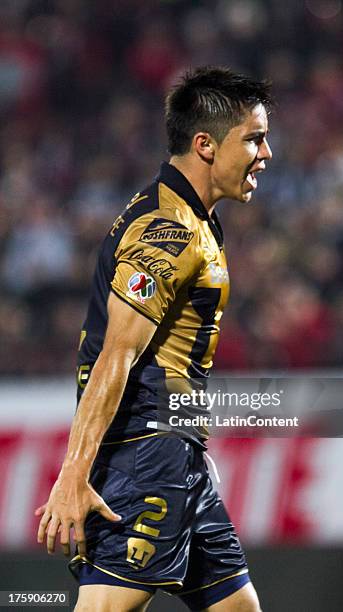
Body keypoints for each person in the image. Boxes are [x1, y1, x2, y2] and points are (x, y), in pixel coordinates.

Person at [35, 66, 273, 612]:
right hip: (146, 456)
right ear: (205, 144)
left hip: (176, 452)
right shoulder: (167, 232)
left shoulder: (194, 219)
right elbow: (116, 355)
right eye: (254, 139)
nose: (266, 154)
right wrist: (72, 475)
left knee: (239, 608)